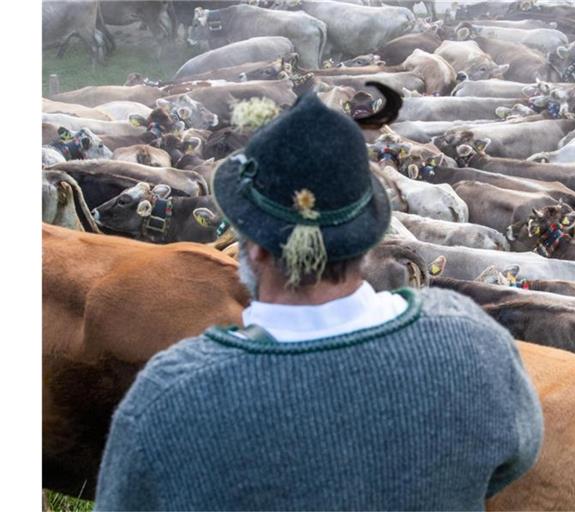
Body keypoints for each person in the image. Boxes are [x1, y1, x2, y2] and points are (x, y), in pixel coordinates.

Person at [94, 92, 544, 511]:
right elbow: (513, 460)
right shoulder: (477, 345)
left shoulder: (171, 397)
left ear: (255, 246)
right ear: (368, 239)